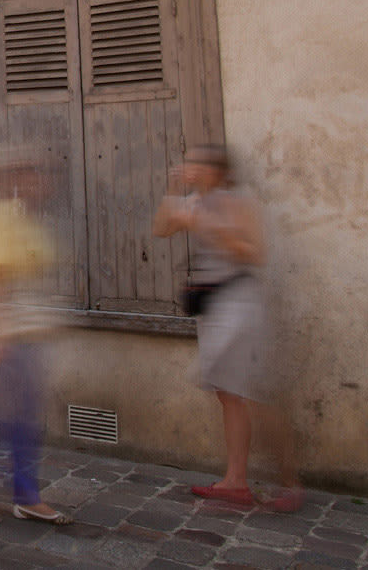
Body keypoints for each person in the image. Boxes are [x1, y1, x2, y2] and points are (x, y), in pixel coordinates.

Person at [153, 144, 301, 512]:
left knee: (250, 393)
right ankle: (235, 481)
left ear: (215, 169)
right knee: (228, 393)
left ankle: (290, 482)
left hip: (239, 302)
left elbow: (255, 253)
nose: (188, 167)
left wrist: (211, 227)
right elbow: (160, 228)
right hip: (215, 307)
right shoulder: (193, 202)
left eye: (195, 163)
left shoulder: (237, 201)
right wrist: (173, 192)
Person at [0, 153, 72, 525]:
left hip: (25, 333)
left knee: (16, 416)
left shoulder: (29, 220)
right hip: (9, 335)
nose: (41, 186)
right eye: (33, 179)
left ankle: (22, 490)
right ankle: (24, 493)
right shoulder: (6, 218)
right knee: (17, 417)